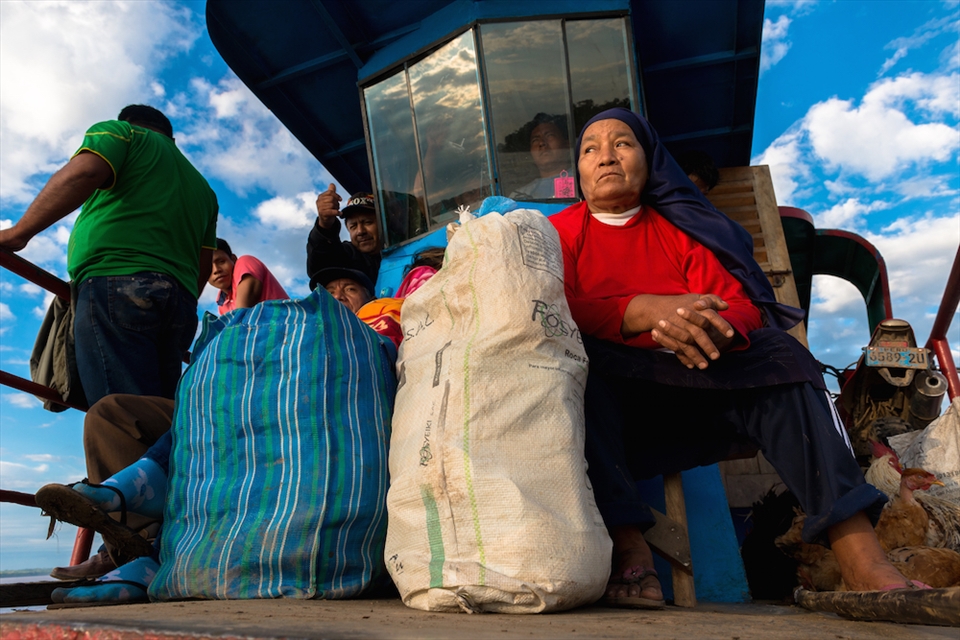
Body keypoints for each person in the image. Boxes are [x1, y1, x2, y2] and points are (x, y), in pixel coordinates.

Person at [548, 108, 914, 608]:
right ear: (579, 171)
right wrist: (644, 311)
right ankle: (627, 543)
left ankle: (859, 552)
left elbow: (741, 306)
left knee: (781, 355)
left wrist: (709, 327)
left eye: (622, 144)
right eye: (590, 148)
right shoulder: (558, 233)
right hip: (620, 414)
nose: (606, 156)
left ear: (649, 159)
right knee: (571, 365)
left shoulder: (682, 230)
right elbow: (549, 305)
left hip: (700, 394)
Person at [0, 105, 218, 406]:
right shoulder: (204, 190)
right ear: (172, 138)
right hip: (179, 303)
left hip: (117, 283)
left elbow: (86, 171)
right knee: (161, 410)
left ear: (130, 122)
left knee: (120, 411)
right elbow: (203, 264)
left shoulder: (122, 133)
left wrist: (17, 234)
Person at [306, 187, 382, 291]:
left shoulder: (405, 248)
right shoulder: (347, 255)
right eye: (353, 226)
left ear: (383, 223)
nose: (360, 231)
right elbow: (320, 264)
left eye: (368, 222)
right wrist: (324, 225)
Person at [209, 238, 289, 314]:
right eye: (207, 267)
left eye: (221, 262)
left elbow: (241, 315)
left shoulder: (245, 263)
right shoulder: (222, 305)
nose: (216, 270)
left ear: (233, 259)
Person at [510, 113, 574, 201]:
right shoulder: (520, 196)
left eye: (549, 136)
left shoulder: (585, 183)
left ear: (567, 144)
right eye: (535, 140)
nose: (542, 143)